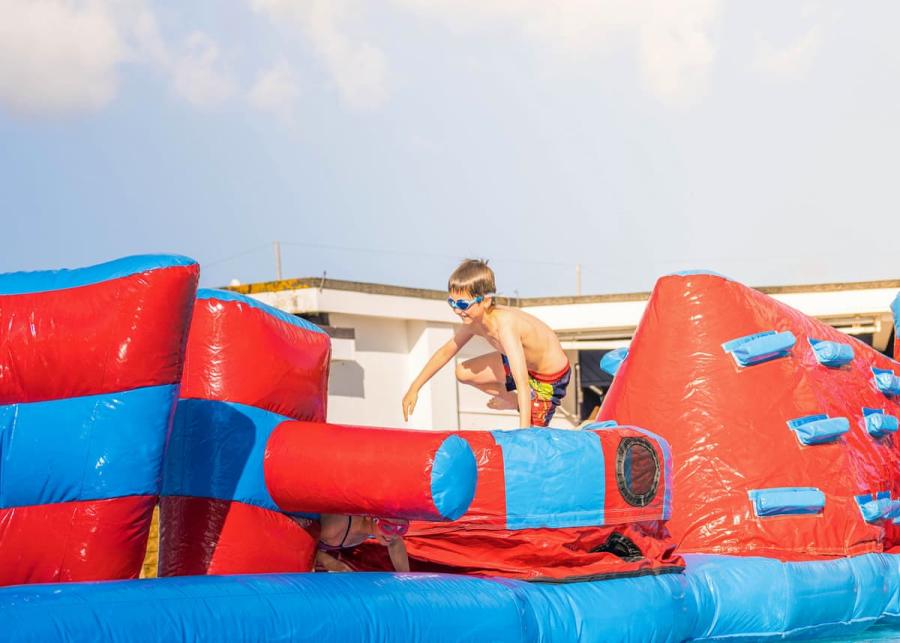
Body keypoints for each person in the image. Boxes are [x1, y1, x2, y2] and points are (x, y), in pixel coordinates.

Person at [402, 259, 570, 428]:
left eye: (463, 304)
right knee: (462, 372)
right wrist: (415, 387)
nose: (457, 310)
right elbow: (445, 352)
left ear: (486, 301)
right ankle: (513, 400)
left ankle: (522, 406)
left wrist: (523, 432)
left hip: (549, 377)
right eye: (452, 303)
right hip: (524, 365)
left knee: (534, 431)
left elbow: (522, 383)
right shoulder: (473, 323)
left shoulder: (505, 327)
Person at [315, 514, 410, 573]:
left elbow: (395, 542)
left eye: (401, 529)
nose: (393, 535)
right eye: (387, 527)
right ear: (369, 516)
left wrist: (406, 581)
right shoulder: (333, 529)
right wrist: (327, 560)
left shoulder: (374, 527)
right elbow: (306, 540)